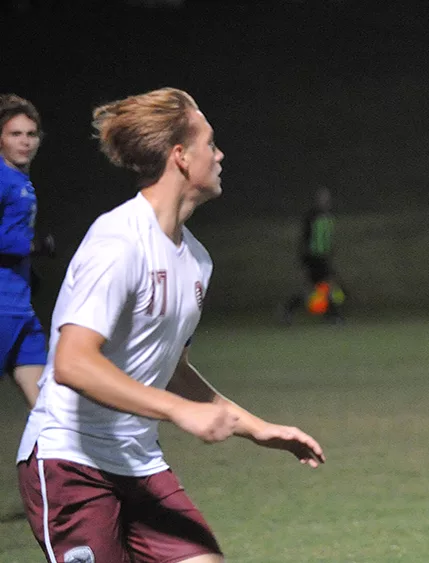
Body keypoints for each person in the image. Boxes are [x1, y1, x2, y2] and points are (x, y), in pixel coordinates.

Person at [16, 88, 325, 563]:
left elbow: (172, 370)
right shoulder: (119, 241)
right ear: (180, 156)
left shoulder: (196, 260)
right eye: (210, 144)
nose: (219, 155)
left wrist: (259, 429)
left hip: (139, 463)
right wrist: (178, 412)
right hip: (71, 464)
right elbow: (73, 363)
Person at [0, 94, 55, 408]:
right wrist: (31, 247)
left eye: (31, 134)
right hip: (2, 306)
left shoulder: (19, 180)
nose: (25, 141)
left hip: (20, 307)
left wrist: (27, 271)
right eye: (15, 134)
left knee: (47, 407)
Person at [281, 186, 346, 324]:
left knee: (328, 287)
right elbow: (305, 239)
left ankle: (331, 315)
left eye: (327, 199)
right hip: (313, 258)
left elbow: (328, 238)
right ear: (317, 200)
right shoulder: (311, 217)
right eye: (322, 199)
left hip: (324, 258)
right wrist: (304, 261)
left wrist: (331, 252)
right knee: (317, 289)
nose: (325, 201)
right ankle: (289, 310)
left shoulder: (329, 217)